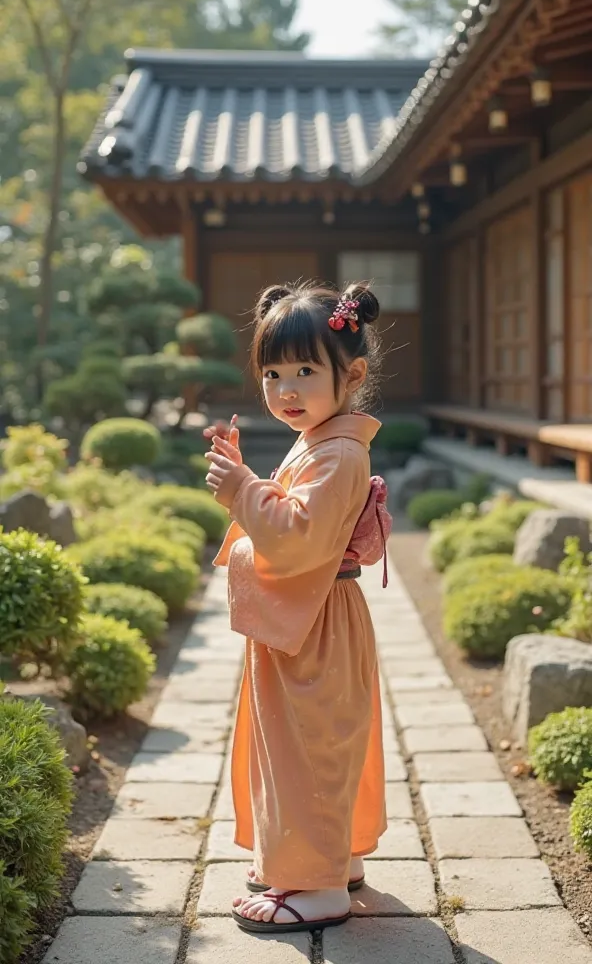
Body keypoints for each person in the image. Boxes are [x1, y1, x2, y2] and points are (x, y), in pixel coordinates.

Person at [203, 279, 392, 935]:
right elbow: (291, 513)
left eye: (305, 370)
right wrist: (246, 477)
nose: (286, 389)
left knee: (307, 746)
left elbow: (298, 536)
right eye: (272, 372)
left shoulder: (337, 452)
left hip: (313, 620)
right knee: (313, 741)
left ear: (353, 373)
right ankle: (328, 861)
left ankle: (317, 888)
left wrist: (243, 491)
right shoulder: (325, 437)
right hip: (315, 615)